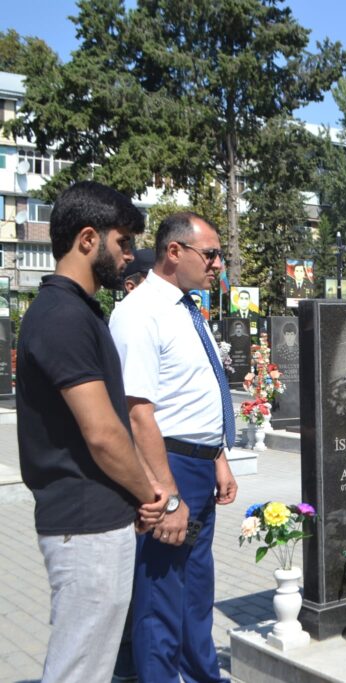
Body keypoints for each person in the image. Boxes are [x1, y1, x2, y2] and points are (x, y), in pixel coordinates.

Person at [16, 181, 165, 683]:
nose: (129, 255)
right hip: (84, 526)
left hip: (97, 520)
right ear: (87, 239)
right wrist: (152, 495)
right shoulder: (62, 316)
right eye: (122, 242)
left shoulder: (77, 311)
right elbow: (102, 432)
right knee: (78, 671)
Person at [109, 211, 238, 683]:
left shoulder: (186, 308)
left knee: (195, 589)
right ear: (174, 251)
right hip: (169, 467)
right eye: (211, 254)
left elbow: (191, 393)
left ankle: (201, 675)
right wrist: (168, 496)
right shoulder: (139, 312)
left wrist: (218, 457)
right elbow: (137, 412)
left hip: (199, 466)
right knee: (161, 595)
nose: (218, 265)